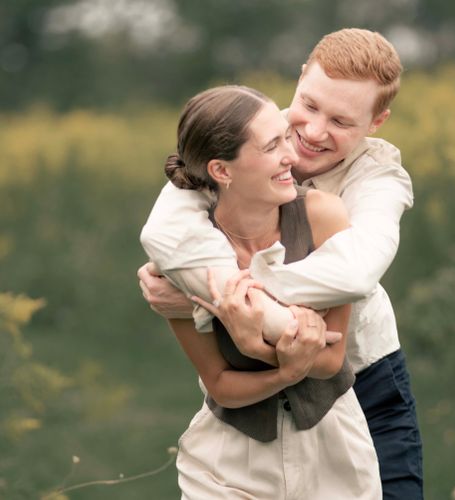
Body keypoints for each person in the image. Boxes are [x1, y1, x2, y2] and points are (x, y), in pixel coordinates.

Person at [139, 28, 423, 499]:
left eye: (341, 121)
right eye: (308, 105)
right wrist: (211, 295)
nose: (312, 133)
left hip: (366, 379)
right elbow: (165, 232)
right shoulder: (243, 138)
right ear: (298, 81)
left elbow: (354, 272)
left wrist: (221, 297)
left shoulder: (380, 179)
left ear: (377, 121)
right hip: (254, 385)